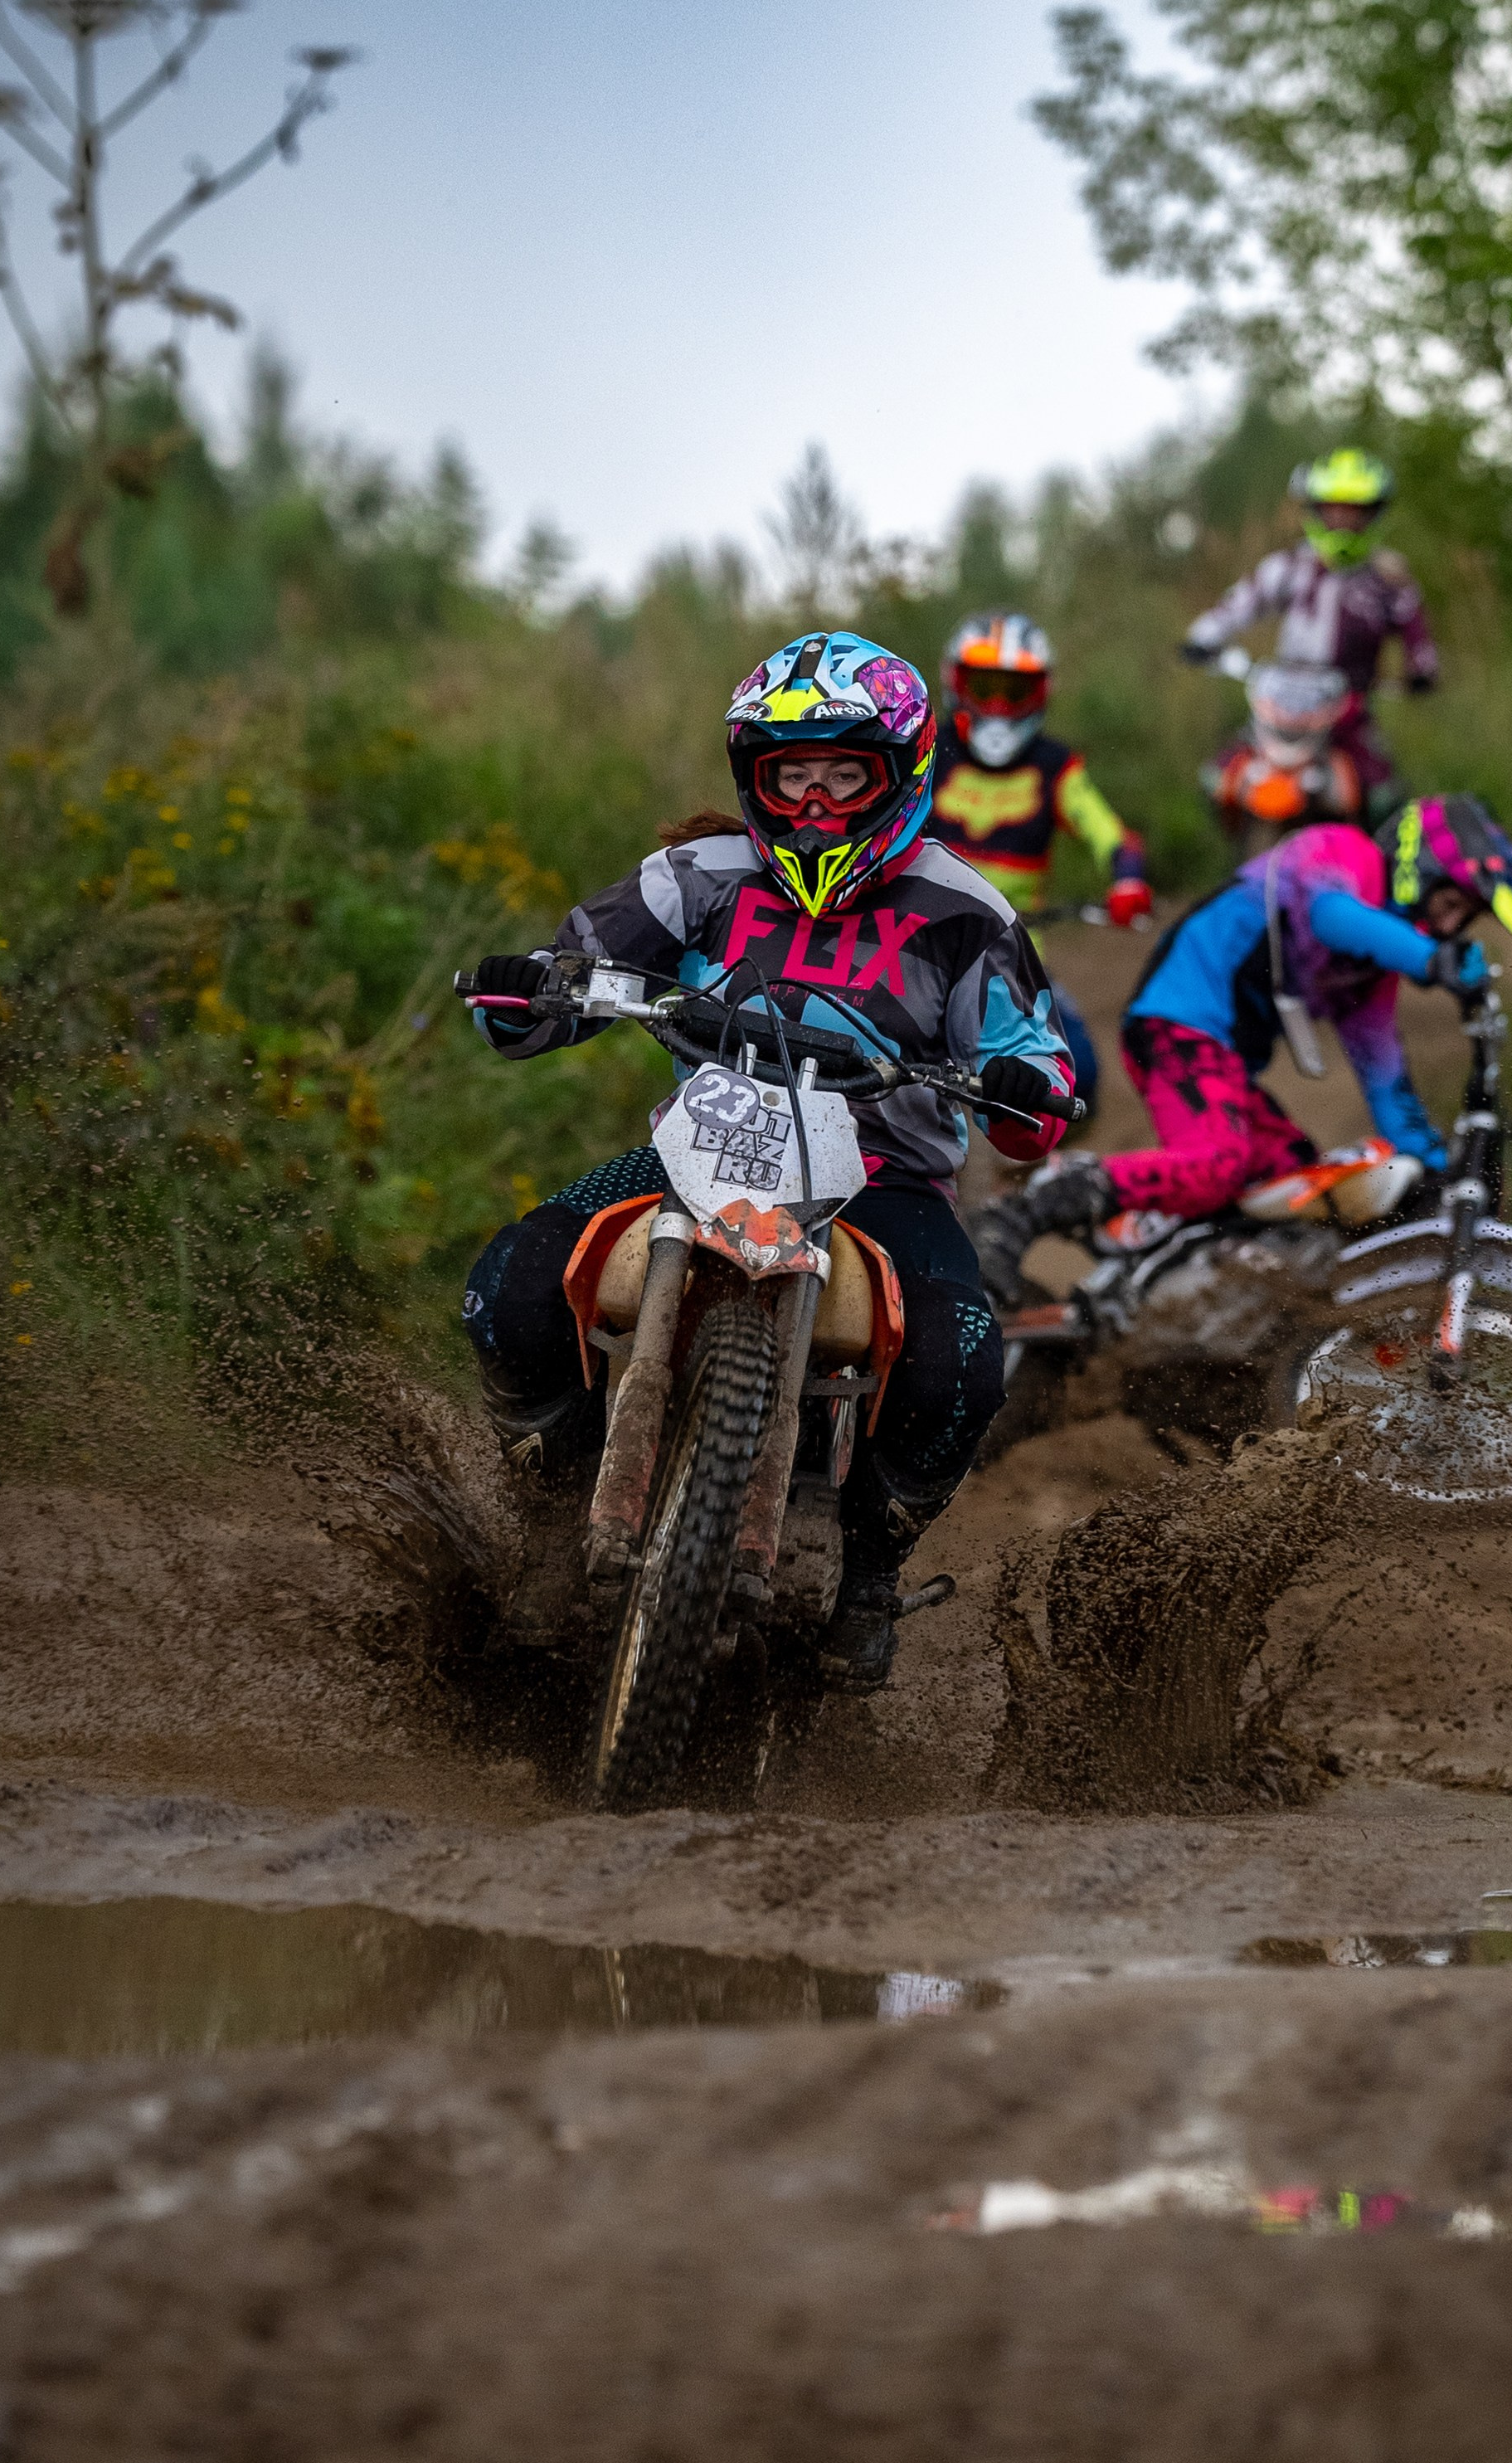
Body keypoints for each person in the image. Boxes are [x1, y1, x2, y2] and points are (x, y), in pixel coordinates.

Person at [459, 630, 1075, 1691]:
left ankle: (870, 1579)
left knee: (963, 1360)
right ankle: (556, 1502)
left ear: (900, 772)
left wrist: (1030, 1093)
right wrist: (531, 992)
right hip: (696, 1149)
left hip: (878, 1181)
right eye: (792, 775)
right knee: (505, 1292)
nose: (817, 802)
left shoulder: (965, 909)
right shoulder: (693, 876)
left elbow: (1033, 1056)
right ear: (757, 777)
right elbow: (576, 966)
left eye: (845, 774)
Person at [974, 795, 1512, 1308]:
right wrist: (1431, 961)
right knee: (1218, 1162)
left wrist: (1437, 1173)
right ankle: (1036, 1204)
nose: (1447, 926)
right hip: (1176, 1021)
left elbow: (1385, 1077)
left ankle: (1196, 1311)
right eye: (1450, 903)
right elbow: (1329, 916)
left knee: (1300, 1187)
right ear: (1423, 868)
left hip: (1223, 1062)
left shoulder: (1370, 972)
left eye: (1463, 918)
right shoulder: (1342, 850)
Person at [927, 610, 1152, 1107]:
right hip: (916, 946)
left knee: (1081, 1082)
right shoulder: (925, 750)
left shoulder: (1056, 767)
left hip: (1017, 959)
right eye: (985, 687)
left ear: (1040, 693)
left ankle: (1031, 1178)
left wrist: (1128, 880)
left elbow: (1111, 834)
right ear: (956, 684)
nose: (1001, 706)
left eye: (1015, 690)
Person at [1179, 450, 1439, 819]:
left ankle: (1380, 869)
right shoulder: (1289, 567)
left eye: (1354, 511)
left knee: (1384, 798)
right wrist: (1202, 638)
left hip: (1348, 706)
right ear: (1316, 511)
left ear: (1372, 514)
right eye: (1333, 510)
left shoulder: (1388, 580)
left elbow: (1418, 638)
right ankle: (1239, 867)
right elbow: (1241, 603)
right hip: (1282, 698)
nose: (1342, 521)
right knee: (1217, 778)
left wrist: (1422, 671)